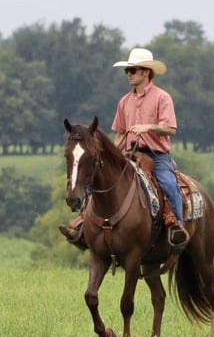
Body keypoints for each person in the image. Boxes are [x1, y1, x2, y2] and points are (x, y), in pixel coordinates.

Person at [59, 48, 190, 252]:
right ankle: (83, 223)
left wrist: (148, 127)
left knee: (168, 183)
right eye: (127, 71)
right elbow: (120, 133)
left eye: (133, 70)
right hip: (129, 154)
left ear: (146, 72)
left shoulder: (162, 98)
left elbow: (170, 128)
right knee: (98, 180)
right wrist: (112, 152)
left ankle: (176, 227)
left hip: (156, 155)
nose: (129, 74)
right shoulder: (124, 101)